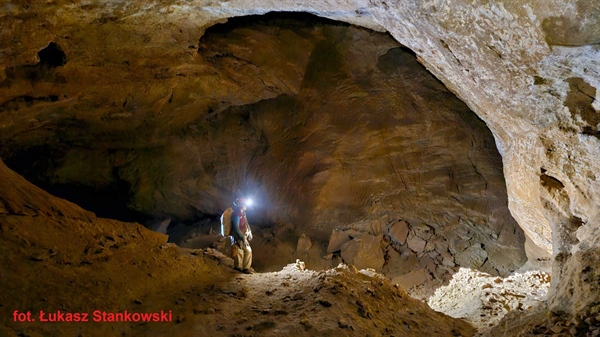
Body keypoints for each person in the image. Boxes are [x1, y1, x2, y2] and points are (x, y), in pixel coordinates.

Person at [231, 198, 255, 274]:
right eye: (245, 205)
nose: (246, 206)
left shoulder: (243, 212)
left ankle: (246, 268)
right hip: (238, 236)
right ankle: (238, 267)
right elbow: (236, 228)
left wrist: (249, 232)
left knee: (248, 250)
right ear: (241, 206)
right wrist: (243, 238)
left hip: (244, 234)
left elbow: (246, 223)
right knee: (239, 251)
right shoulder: (236, 214)